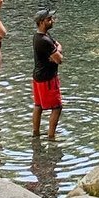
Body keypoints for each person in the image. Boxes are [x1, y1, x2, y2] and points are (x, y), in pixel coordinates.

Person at [32, 10, 63, 140]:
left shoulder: (39, 36)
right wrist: (57, 52)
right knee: (57, 107)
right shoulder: (45, 40)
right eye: (49, 19)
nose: (52, 20)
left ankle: (36, 133)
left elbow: (57, 47)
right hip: (47, 79)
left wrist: (56, 51)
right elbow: (59, 59)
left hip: (37, 77)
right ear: (41, 22)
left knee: (38, 106)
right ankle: (51, 136)